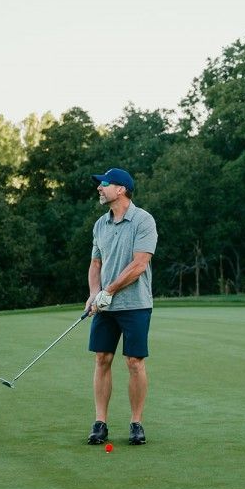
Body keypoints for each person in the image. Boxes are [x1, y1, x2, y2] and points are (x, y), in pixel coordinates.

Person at [85, 167, 158, 446]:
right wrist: (95, 293)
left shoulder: (143, 220)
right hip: (105, 305)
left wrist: (109, 290)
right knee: (102, 359)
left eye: (104, 184)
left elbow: (139, 264)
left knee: (134, 362)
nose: (99, 188)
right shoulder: (100, 225)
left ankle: (136, 423)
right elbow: (95, 263)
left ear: (121, 189)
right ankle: (100, 422)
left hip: (135, 304)